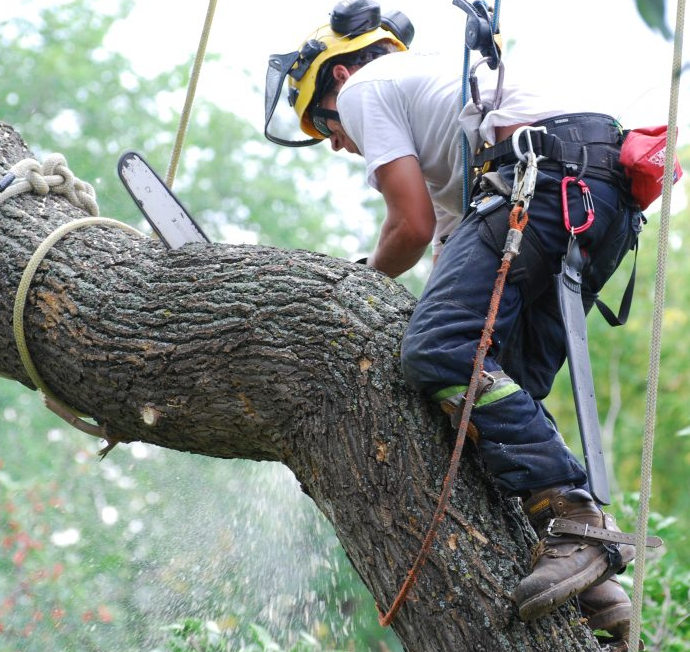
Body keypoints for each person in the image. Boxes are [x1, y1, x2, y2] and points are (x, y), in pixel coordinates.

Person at [269, 1, 645, 642]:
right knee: (499, 388)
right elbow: (446, 246)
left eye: (325, 127)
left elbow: (409, 227)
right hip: (599, 195)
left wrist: (355, 282)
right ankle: (595, 580)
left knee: (438, 350)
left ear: (334, 79)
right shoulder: (447, 109)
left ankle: (574, 516)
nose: (337, 142)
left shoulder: (366, 88)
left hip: (543, 179)